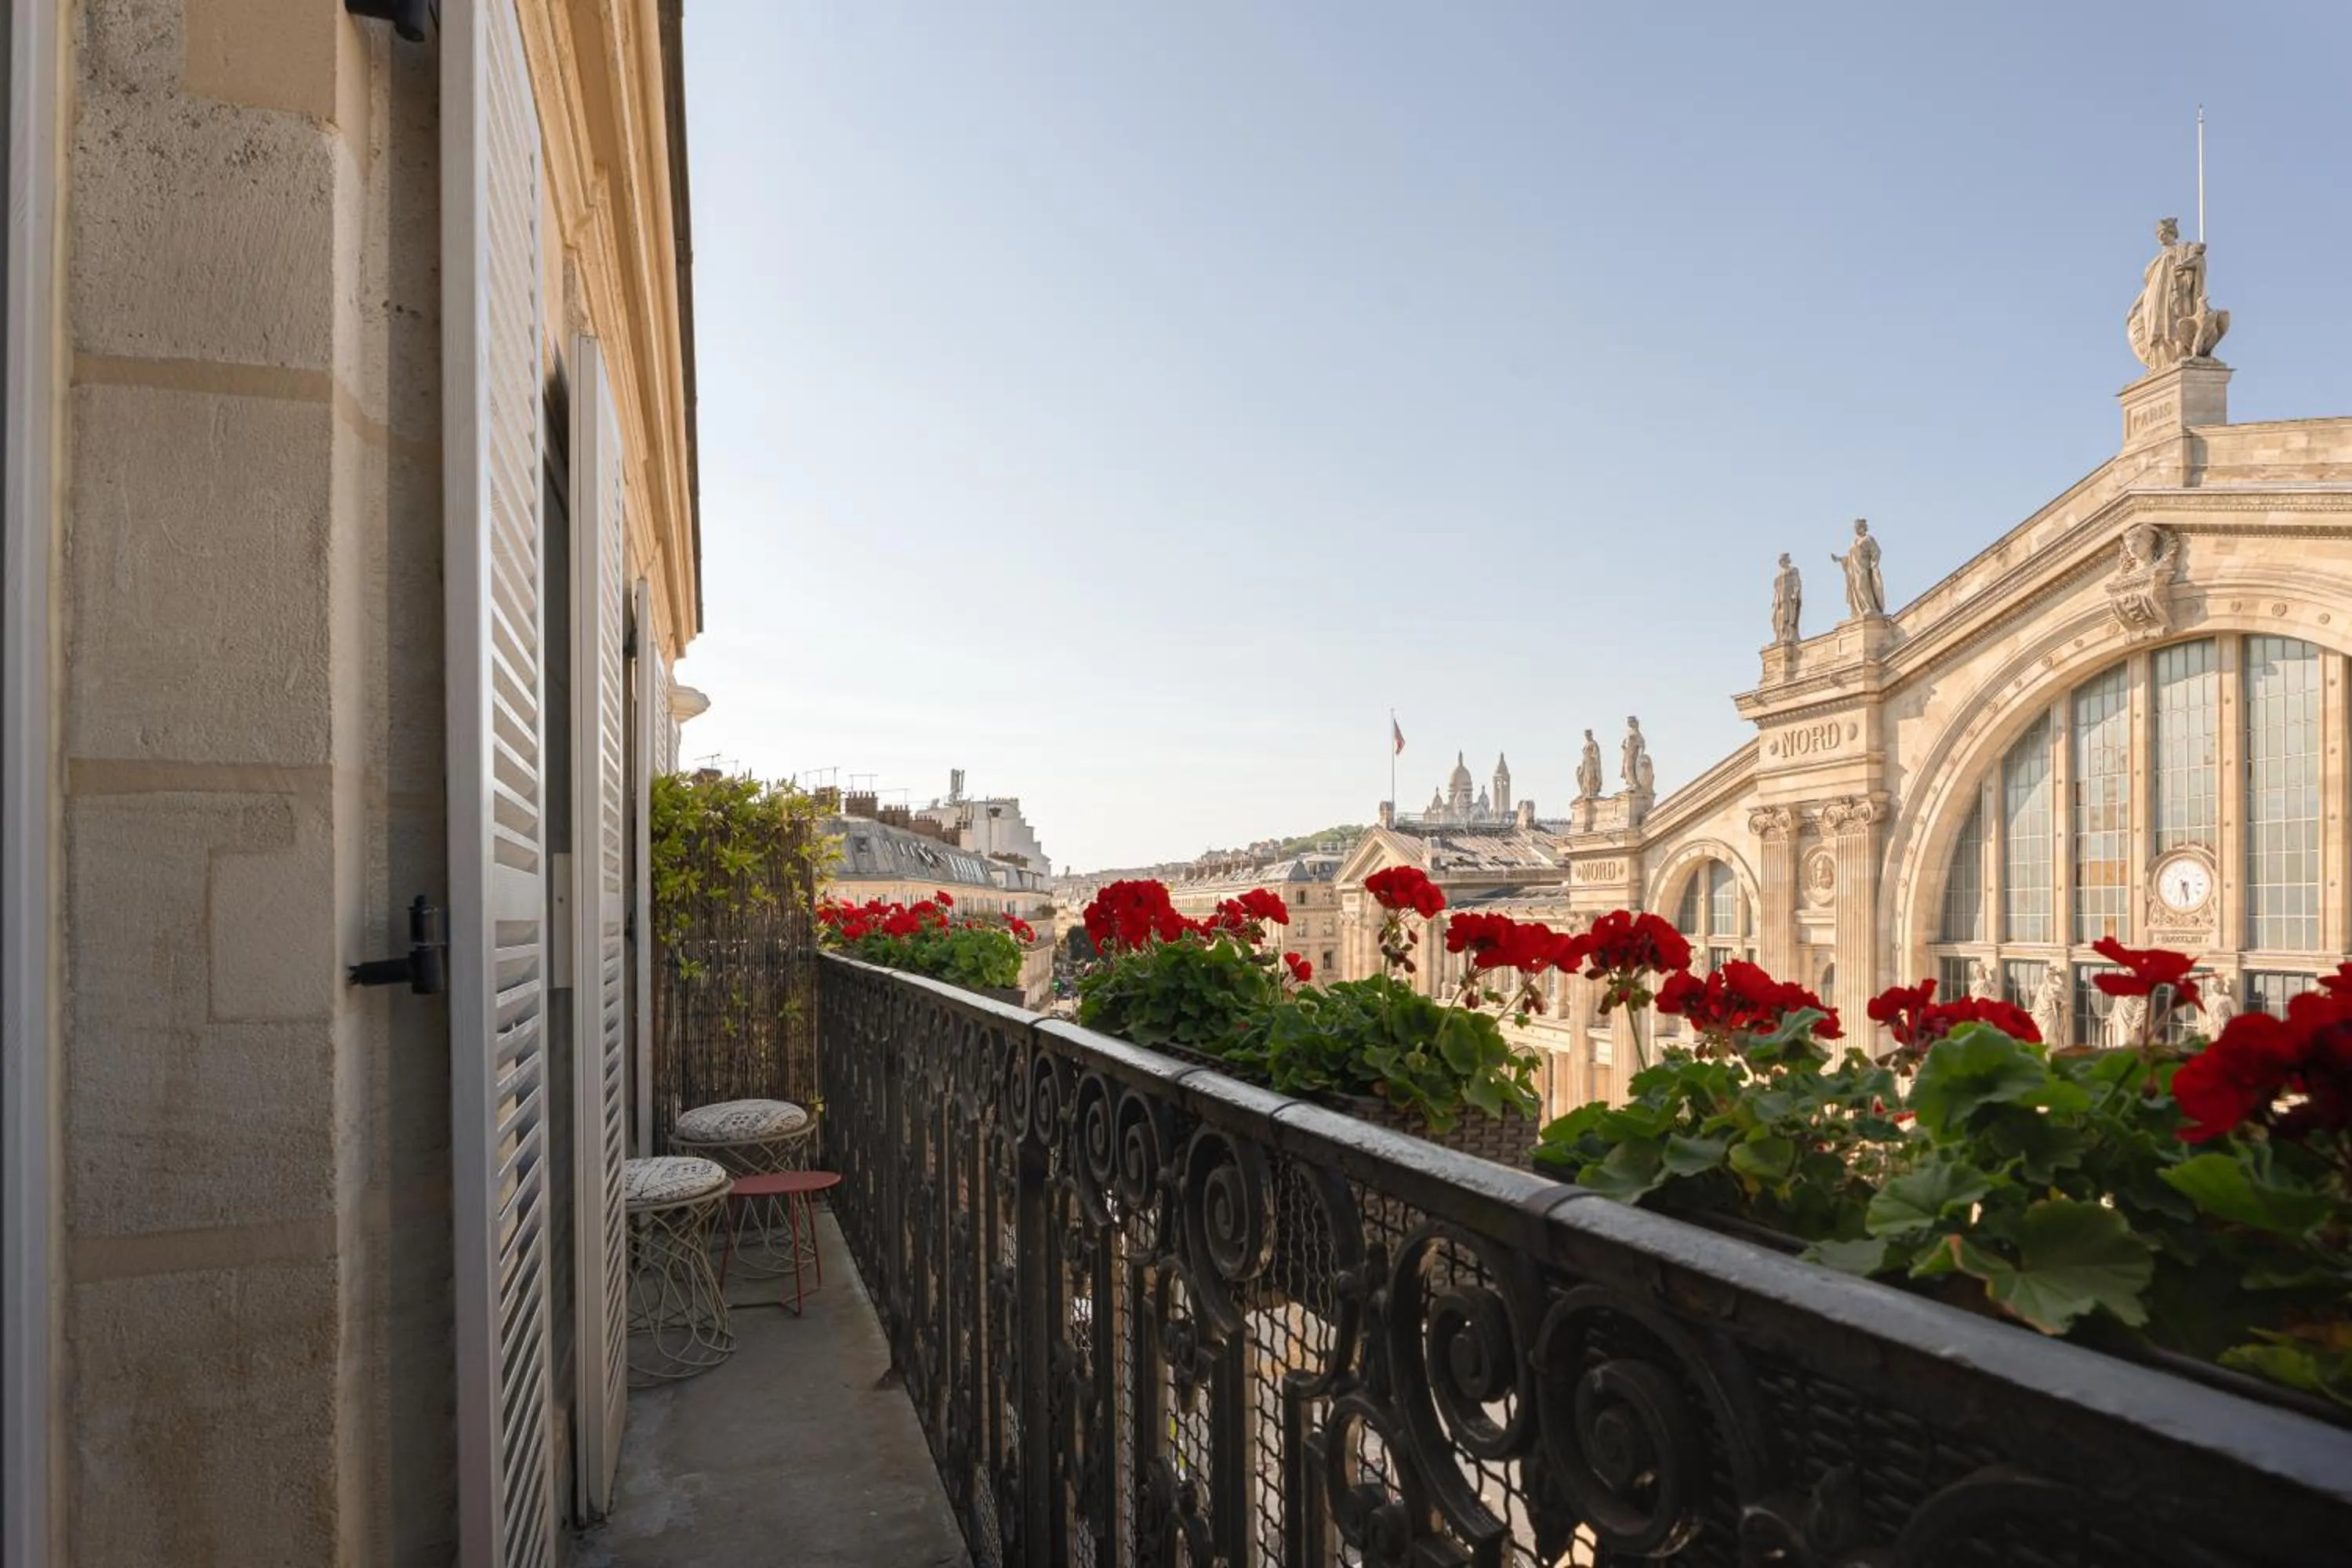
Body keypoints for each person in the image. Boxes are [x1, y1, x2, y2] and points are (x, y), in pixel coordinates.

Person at [1831, 518, 1884, 619]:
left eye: (1857, 527)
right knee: (1857, 589)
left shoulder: (1868, 539)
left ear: (1862, 528)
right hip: (1854, 570)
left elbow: (1876, 551)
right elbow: (1851, 557)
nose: (1855, 530)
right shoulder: (1855, 541)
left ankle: (1870, 608)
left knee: (1862, 587)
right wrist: (1839, 559)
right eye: (1855, 528)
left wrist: (1873, 564)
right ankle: (1863, 609)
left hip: (1864, 568)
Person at [1771, 553, 1802, 643]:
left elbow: (1797, 582)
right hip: (1780, 600)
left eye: (1784, 560)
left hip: (1789, 597)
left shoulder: (1793, 570)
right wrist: (1774, 600)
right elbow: (1777, 590)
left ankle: (1788, 635)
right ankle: (1780, 637)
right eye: (1781, 561)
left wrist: (1795, 593)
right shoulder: (1778, 576)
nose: (1782, 562)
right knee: (1777, 618)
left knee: (1787, 616)